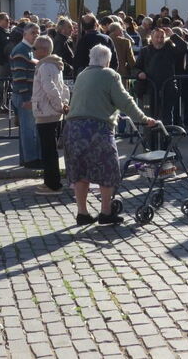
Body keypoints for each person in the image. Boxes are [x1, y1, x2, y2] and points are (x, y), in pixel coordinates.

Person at [65, 44, 157, 225]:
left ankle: (82, 213)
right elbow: (125, 101)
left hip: (73, 128)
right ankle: (106, 212)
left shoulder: (82, 74)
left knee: (80, 171)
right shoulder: (109, 75)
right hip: (96, 129)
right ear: (107, 60)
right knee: (108, 169)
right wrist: (144, 118)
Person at [31, 35, 70, 195]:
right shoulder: (52, 65)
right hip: (49, 111)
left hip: (47, 113)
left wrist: (60, 105)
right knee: (50, 150)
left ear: (44, 50)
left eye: (35, 48)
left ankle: (53, 184)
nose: (33, 50)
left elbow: (51, 89)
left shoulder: (46, 66)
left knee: (48, 151)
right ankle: (51, 181)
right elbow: (64, 88)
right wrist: (63, 104)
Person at [134, 27, 188, 127]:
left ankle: (166, 139)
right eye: (157, 37)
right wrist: (139, 73)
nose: (159, 40)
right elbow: (136, 68)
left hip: (167, 87)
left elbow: (184, 47)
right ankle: (150, 140)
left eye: (162, 37)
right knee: (150, 117)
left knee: (167, 116)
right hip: (150, 88)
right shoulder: (145, 51)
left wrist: (173, 35)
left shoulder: (170, 49)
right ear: (152, 37)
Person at [11, 22, 42, 168]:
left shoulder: (29, 49)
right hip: (24, 95)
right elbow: (19, 77)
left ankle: (27, 159)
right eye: (33, 33)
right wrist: (25, 98)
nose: (36, 35)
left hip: (29, 94)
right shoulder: (21, 50)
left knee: (29, 129)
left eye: (38, 32)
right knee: (28, 130)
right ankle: (30, 160)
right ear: (25, 34)